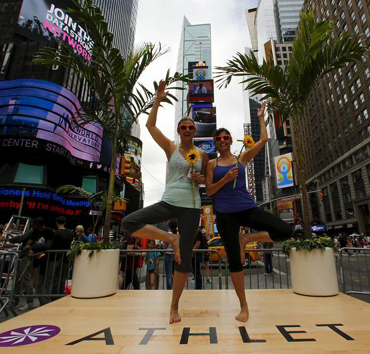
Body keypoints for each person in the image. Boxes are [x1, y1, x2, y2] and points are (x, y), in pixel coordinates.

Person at [122, 81, 208, 324]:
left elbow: (208, 182)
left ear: (195, 130)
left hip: (191, 206)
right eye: (184, 127)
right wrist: (158, 99)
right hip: (169, 201)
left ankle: (174, 307)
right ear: (179, 131)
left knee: (184, 259)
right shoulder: (170, 147)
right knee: (129, 222)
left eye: (191, 126)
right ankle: (171, 238)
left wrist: (200, 178)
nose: (188, 129)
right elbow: (150, 125)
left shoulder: (202, 154)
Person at [205, 102, 293, 322]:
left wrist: (261, 117)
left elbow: (263, 140)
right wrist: (225, 179)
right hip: (224, 214)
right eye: (219, 138)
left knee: (284, 230)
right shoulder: (212, 165)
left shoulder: (241, 158)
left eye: (226, 137)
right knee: (234, 262)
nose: (223, 140)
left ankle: (247, 238)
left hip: (247, 208)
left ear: (230, 140)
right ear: (215, 143)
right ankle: (243, 306)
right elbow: (209, 190)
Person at [21, 217, 54, 308]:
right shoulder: (35, 231)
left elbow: (48, 246)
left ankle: (46, 303)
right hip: (37, 259)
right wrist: (28, 247)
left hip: (48, 259)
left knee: (43, 282)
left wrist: (31, 248)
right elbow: (29, 243)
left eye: (33, 224)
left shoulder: (48, 231)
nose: (32, 225)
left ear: (38, 224)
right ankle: (44, 303)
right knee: (36, 282)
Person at [49, 216, 74, 297]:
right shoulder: (70, 233)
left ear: (56, 223)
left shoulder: (56, 233)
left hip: (56, 257)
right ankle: (60, 293)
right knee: (63, 277)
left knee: (55, 277)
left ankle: (54, 294)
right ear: (65, 222)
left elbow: (53, 245)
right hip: (66, 256)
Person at [163, 220, 178, 290]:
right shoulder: (178, 234)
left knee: (168, 275)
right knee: (175, 274)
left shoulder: (168, 234)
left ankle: (169, 290)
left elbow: (165, 246)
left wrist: (163, 253)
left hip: (168, 255)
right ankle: (175, 288)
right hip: (176, 255)